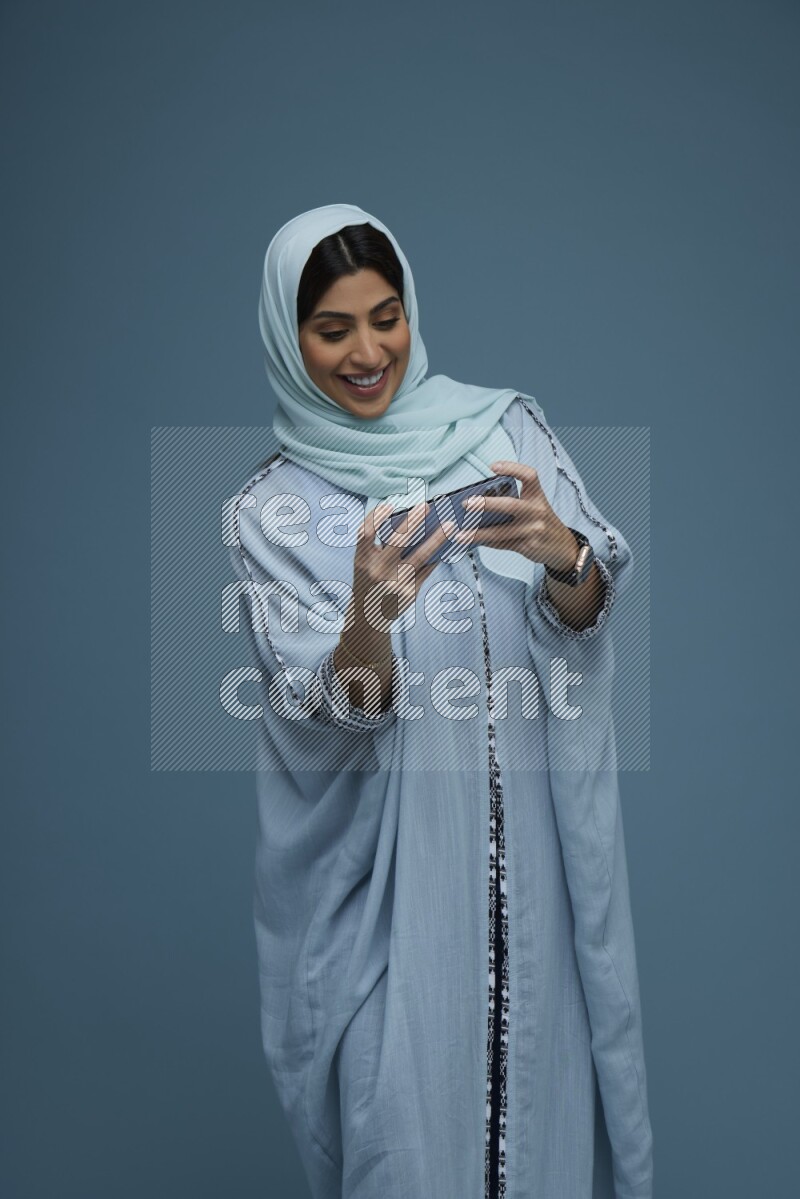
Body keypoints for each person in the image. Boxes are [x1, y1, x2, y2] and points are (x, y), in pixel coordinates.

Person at [227, 203, 653, 1199]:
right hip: (388, 907)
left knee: (540, 1130)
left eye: (387, 316)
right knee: (409, 1146)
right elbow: (334, 707)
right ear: (287, 341)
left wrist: (563, 554)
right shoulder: (269, 512)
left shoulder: (503, 427)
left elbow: (582, 614)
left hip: (535, 889)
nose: (368, 351)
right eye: (331, 329)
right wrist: (370, 606)